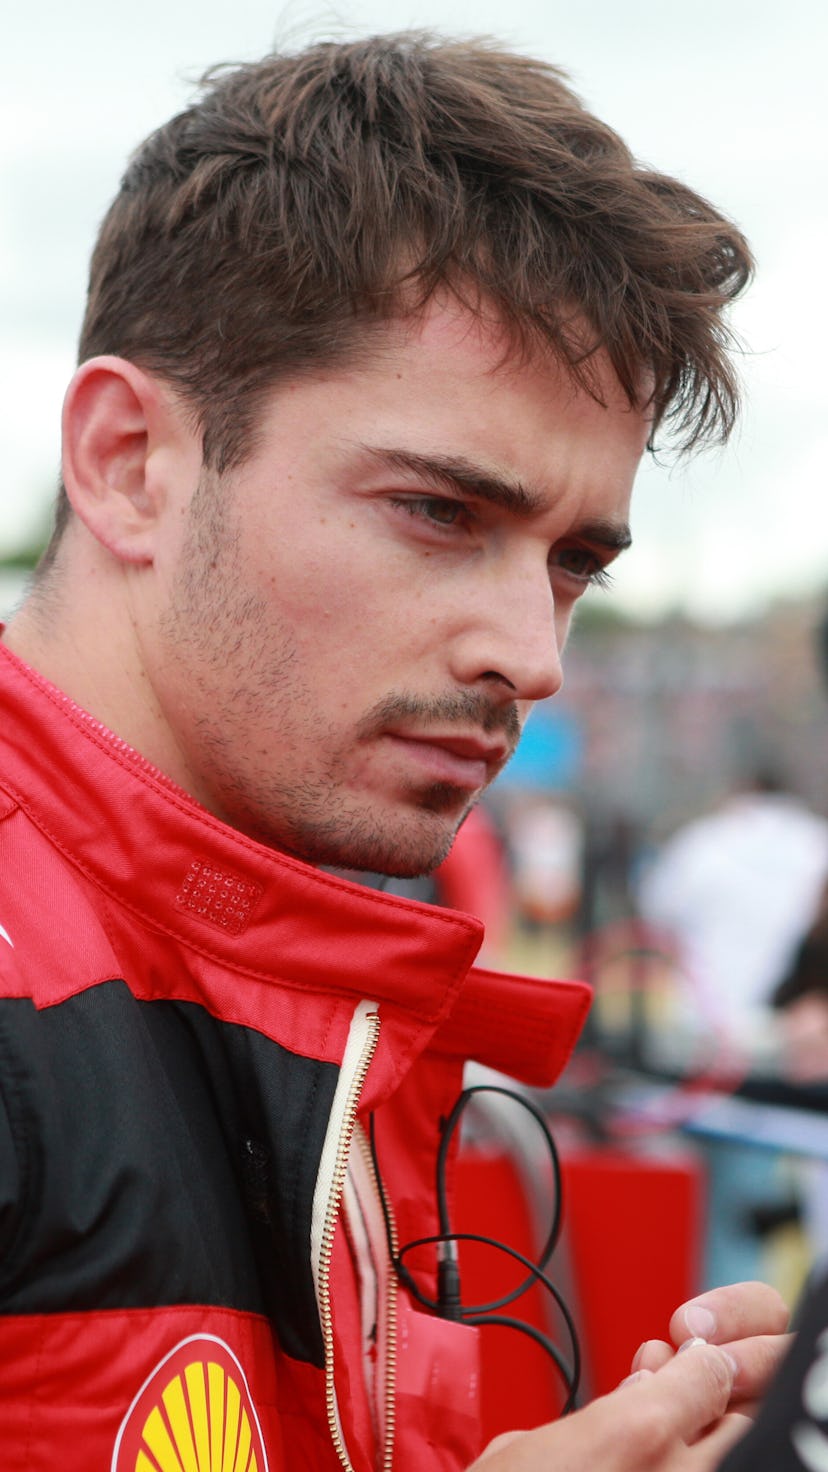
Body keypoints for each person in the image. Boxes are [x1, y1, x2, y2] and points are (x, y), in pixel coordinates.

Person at [0, 31, 790, 1471]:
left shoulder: (313, 974)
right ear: (129, 462)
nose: (533, 656)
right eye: (439, 513)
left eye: (574, 561)